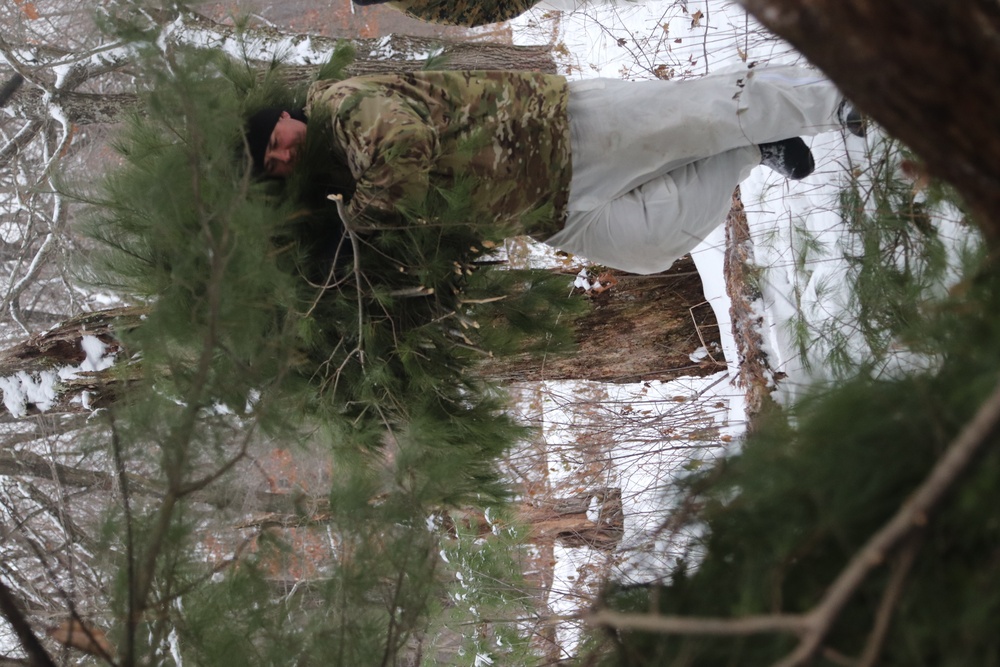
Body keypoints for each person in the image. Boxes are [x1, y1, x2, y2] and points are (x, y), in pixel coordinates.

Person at [245, 66, 864, 275]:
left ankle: (838, 99)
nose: (285, 154)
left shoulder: (339, 104)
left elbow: (404, 146)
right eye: (274, 164)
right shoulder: (335, 182)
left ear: (285, 115)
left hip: (556, 131)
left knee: (701, 114)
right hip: (543, 212)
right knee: (651, 249)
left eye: (276, 139)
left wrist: (354, 228)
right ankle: (754, 150)